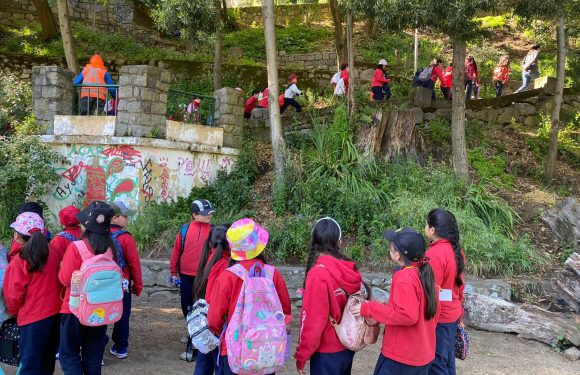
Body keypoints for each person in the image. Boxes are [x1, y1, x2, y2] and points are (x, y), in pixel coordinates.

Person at [207, 218, 292, 375]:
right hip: (266, 350)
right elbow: (285, 310)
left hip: (235, 351)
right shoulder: (273, 274)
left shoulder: (228, 277)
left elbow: (213, 320)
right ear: (259, 246)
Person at [351, 227, 439, 375]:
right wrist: (386, 306)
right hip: (423, 352)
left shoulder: (405, 277)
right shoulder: (424, 272)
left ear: (397, 255)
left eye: (391, 249)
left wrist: (368, 308)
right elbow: (429, 309)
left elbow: (407, 315)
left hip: (403, 356)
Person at [295, 217, 363, 375]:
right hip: (346, 346)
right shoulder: (351, 268)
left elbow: (313, 321)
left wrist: (302, 356)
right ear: (339, 242)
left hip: (326, 352)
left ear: (314, 242)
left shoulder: (318, 274)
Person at [58, 201, 117, 374]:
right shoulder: (110, 249)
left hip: (74, 309)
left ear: (86, 225)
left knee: (69, 354)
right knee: (93, 355)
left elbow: (64, 279)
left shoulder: (76, 247)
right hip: (99, 310)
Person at [3, 212, 62, 374]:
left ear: (19, 236)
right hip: (55, 315)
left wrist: (14, 313)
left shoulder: (20, 259)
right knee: (47, 357)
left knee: (29, 361)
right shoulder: (53, 252)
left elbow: (13, 294)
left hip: (32, 318)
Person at [169, 199, 214, 361]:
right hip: (186, 276)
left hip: (205, 277)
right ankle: (192, 332)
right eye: (204, 213)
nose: (209, 215)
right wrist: (173, 272)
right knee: (187, 307)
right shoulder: (185, 230)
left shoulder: (213, 231)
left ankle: (194, 348)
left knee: (201, 310)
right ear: (195, 215)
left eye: (210, 213)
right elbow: (176, 252)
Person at [425, 209, 465, 375]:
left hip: (441, 317)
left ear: (433, 230)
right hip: (453, 312)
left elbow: (434, 291)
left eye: (426, 225)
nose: (425, 228)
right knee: (447, 358)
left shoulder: (434, 254)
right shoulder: (456, 251)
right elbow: (456, 287)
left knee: (436, 362)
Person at [191, 224, 231, 375]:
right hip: (216, 321)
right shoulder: (223, 265)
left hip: (206, 320)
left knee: (204, 359)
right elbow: (212, 296)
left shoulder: (210, 258)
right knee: (218, 362)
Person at [108, 201, 143, 360]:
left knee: (98, 312)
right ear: (114, 218)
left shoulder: (97, 234)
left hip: (100, 283)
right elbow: (134, 263)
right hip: (122, 283)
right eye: (125, 216)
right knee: (122, 314)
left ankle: (97, 346)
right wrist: (138, 284)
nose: (127, 220)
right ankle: (120, 346)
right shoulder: (126, 238)